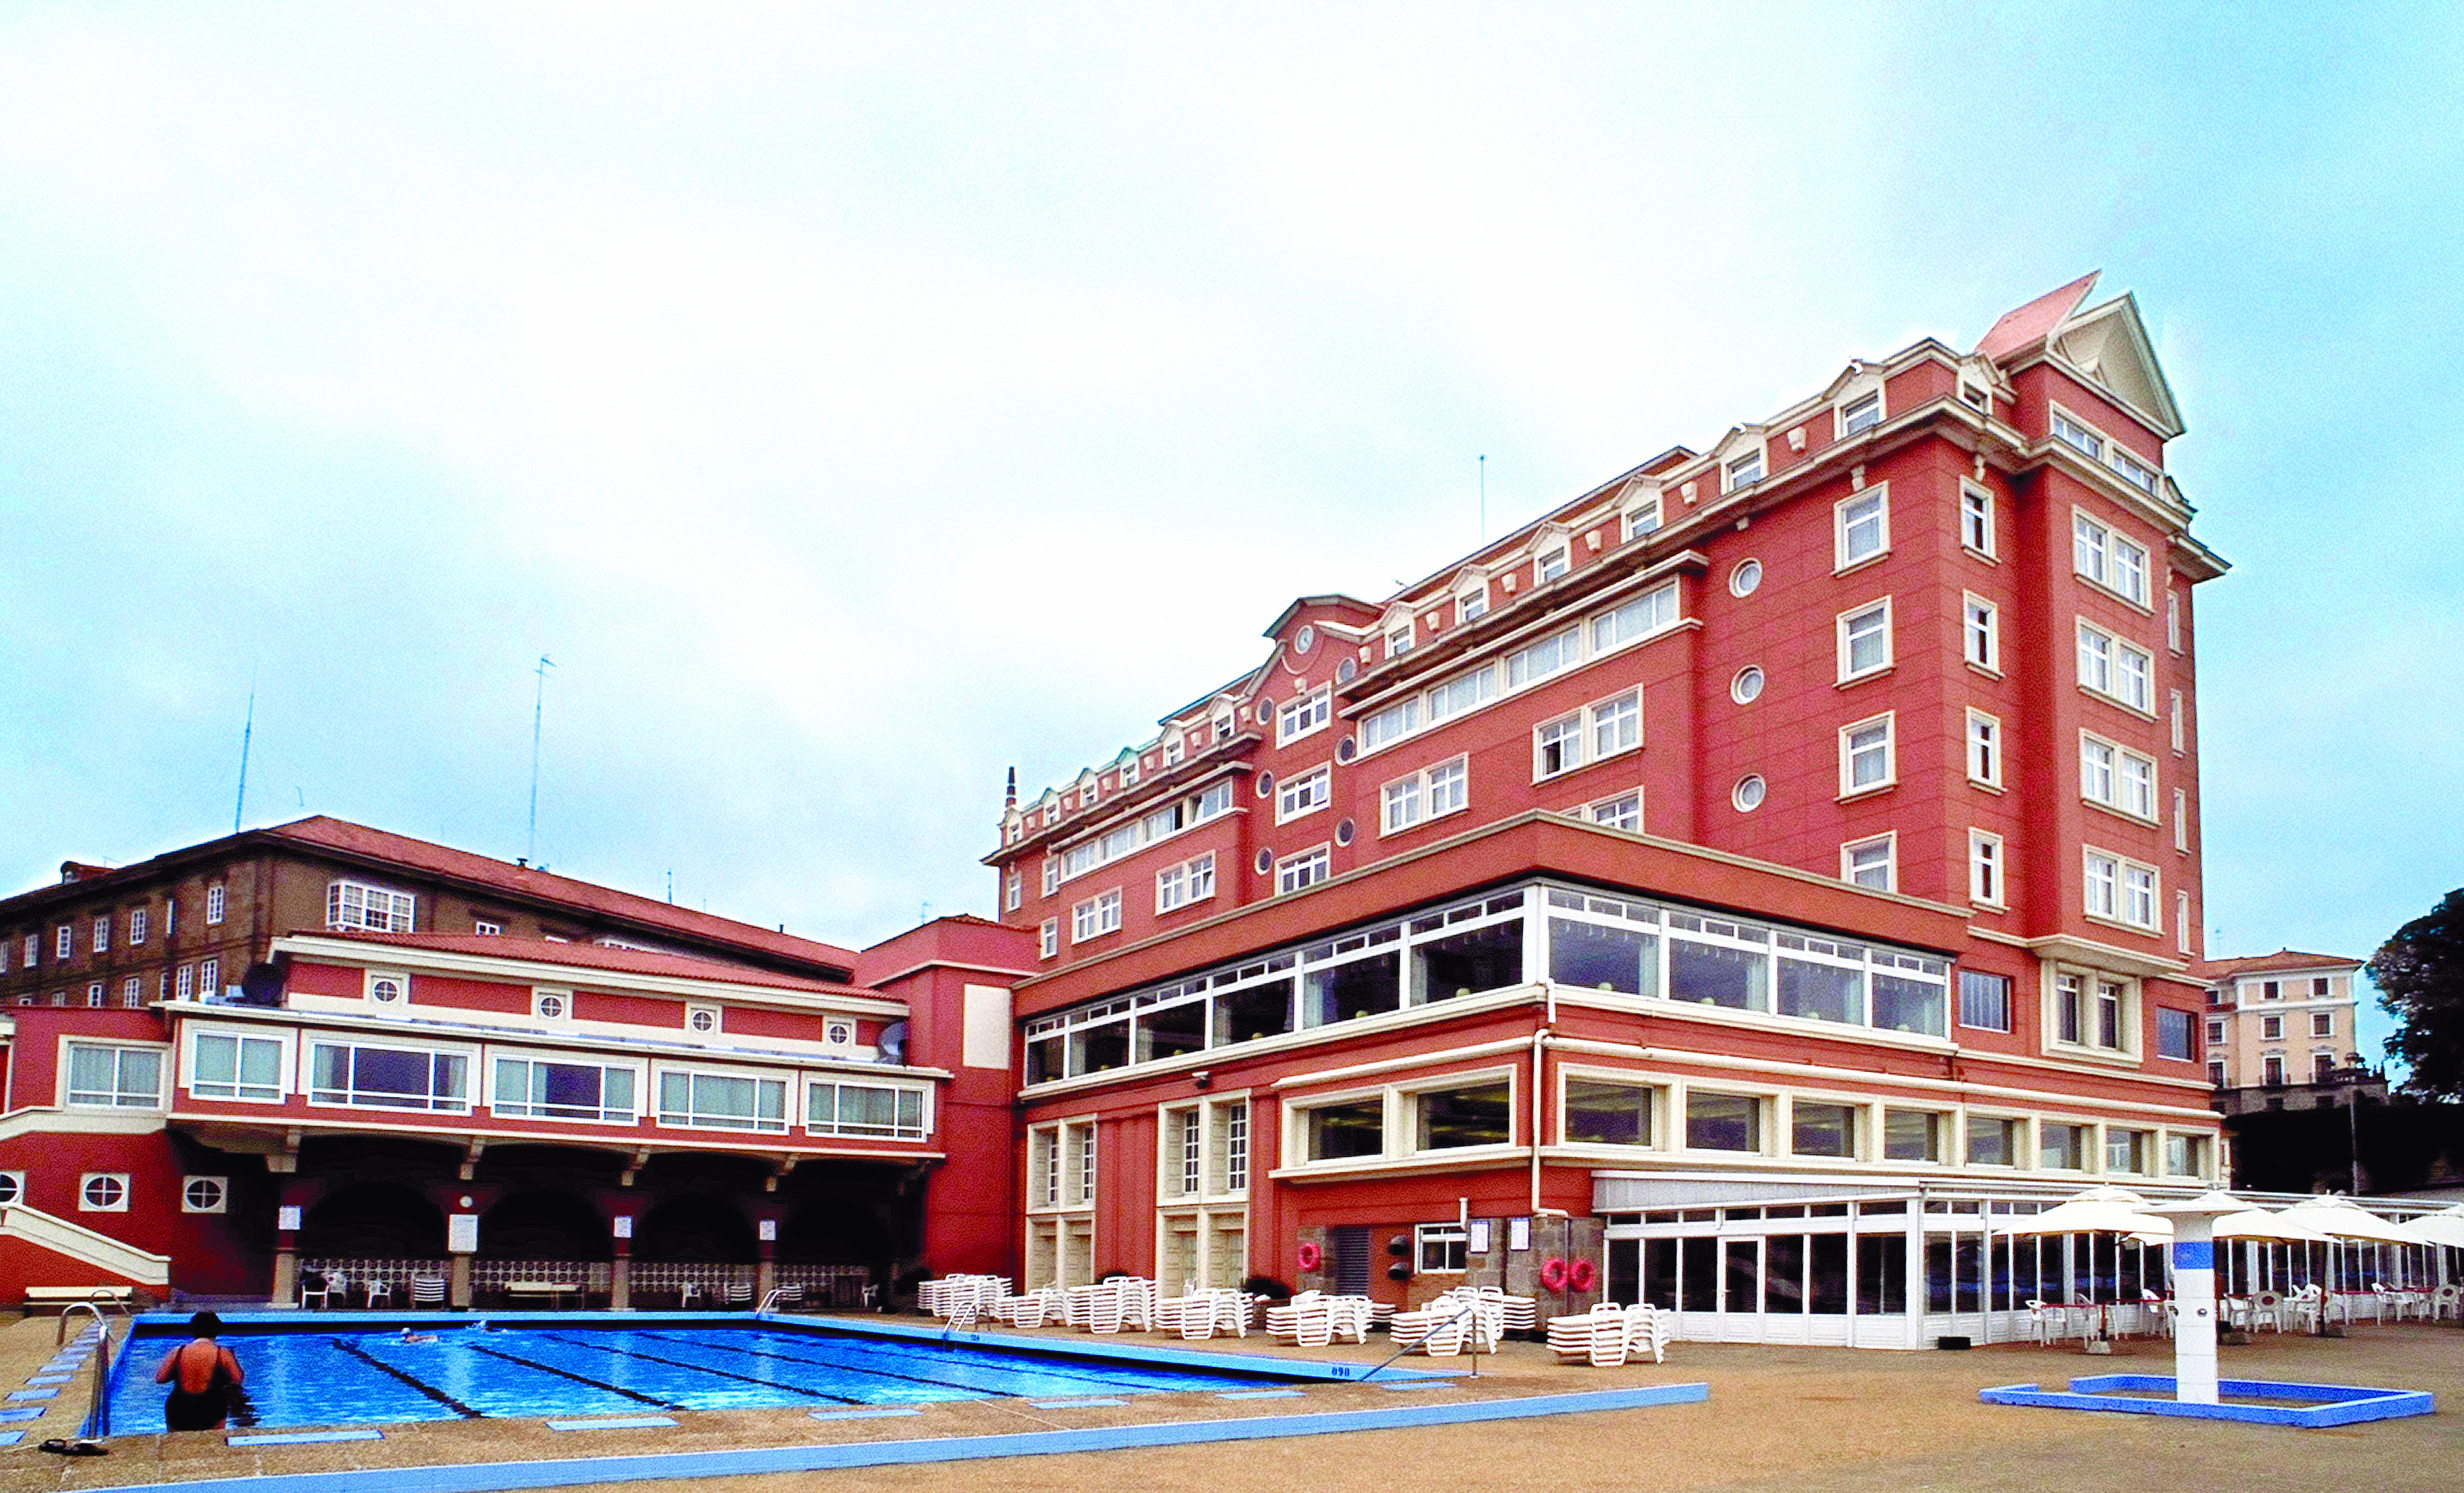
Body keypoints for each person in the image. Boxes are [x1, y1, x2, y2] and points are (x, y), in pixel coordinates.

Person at [153, 1312, 244, 1432]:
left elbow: (160, 1378)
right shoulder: (222, 1353)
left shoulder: (177, 1351)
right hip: (211, 1408)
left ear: (193, 1330)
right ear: (217, 1331)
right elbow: (237, 1379)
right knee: (213, 1440)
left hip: (178, 1408)